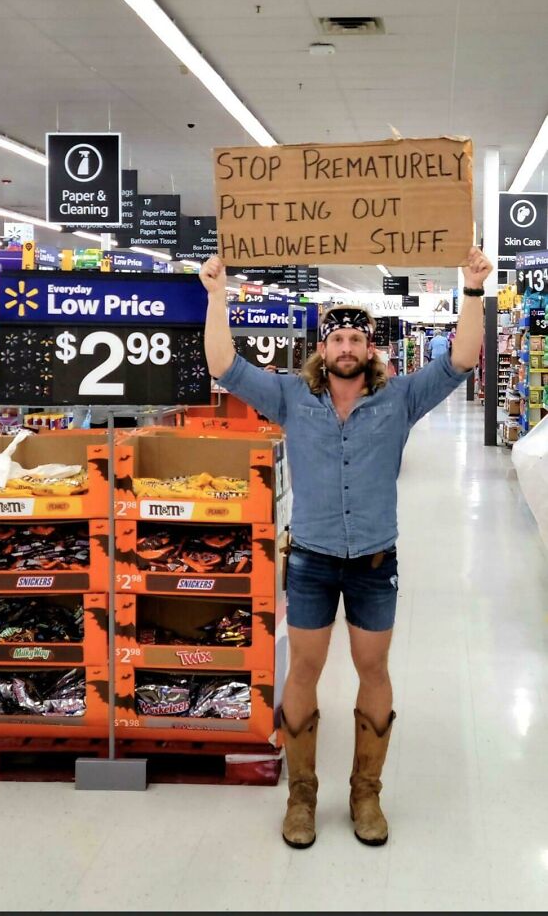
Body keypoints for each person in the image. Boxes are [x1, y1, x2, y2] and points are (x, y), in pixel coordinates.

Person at [199, 247, 491, 850]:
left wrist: (471, 290)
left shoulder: (401, 399)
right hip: (309, 559)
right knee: (304, 669)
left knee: (373, 669)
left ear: (371, 349)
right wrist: (217, 292)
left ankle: (365, 793)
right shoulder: (289, 399)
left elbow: (463, 358)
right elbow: (223, 363)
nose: (349, 347)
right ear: (322, 350)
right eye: (339, 338)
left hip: (375, 563)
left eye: (359, 337)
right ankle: (301, 796)